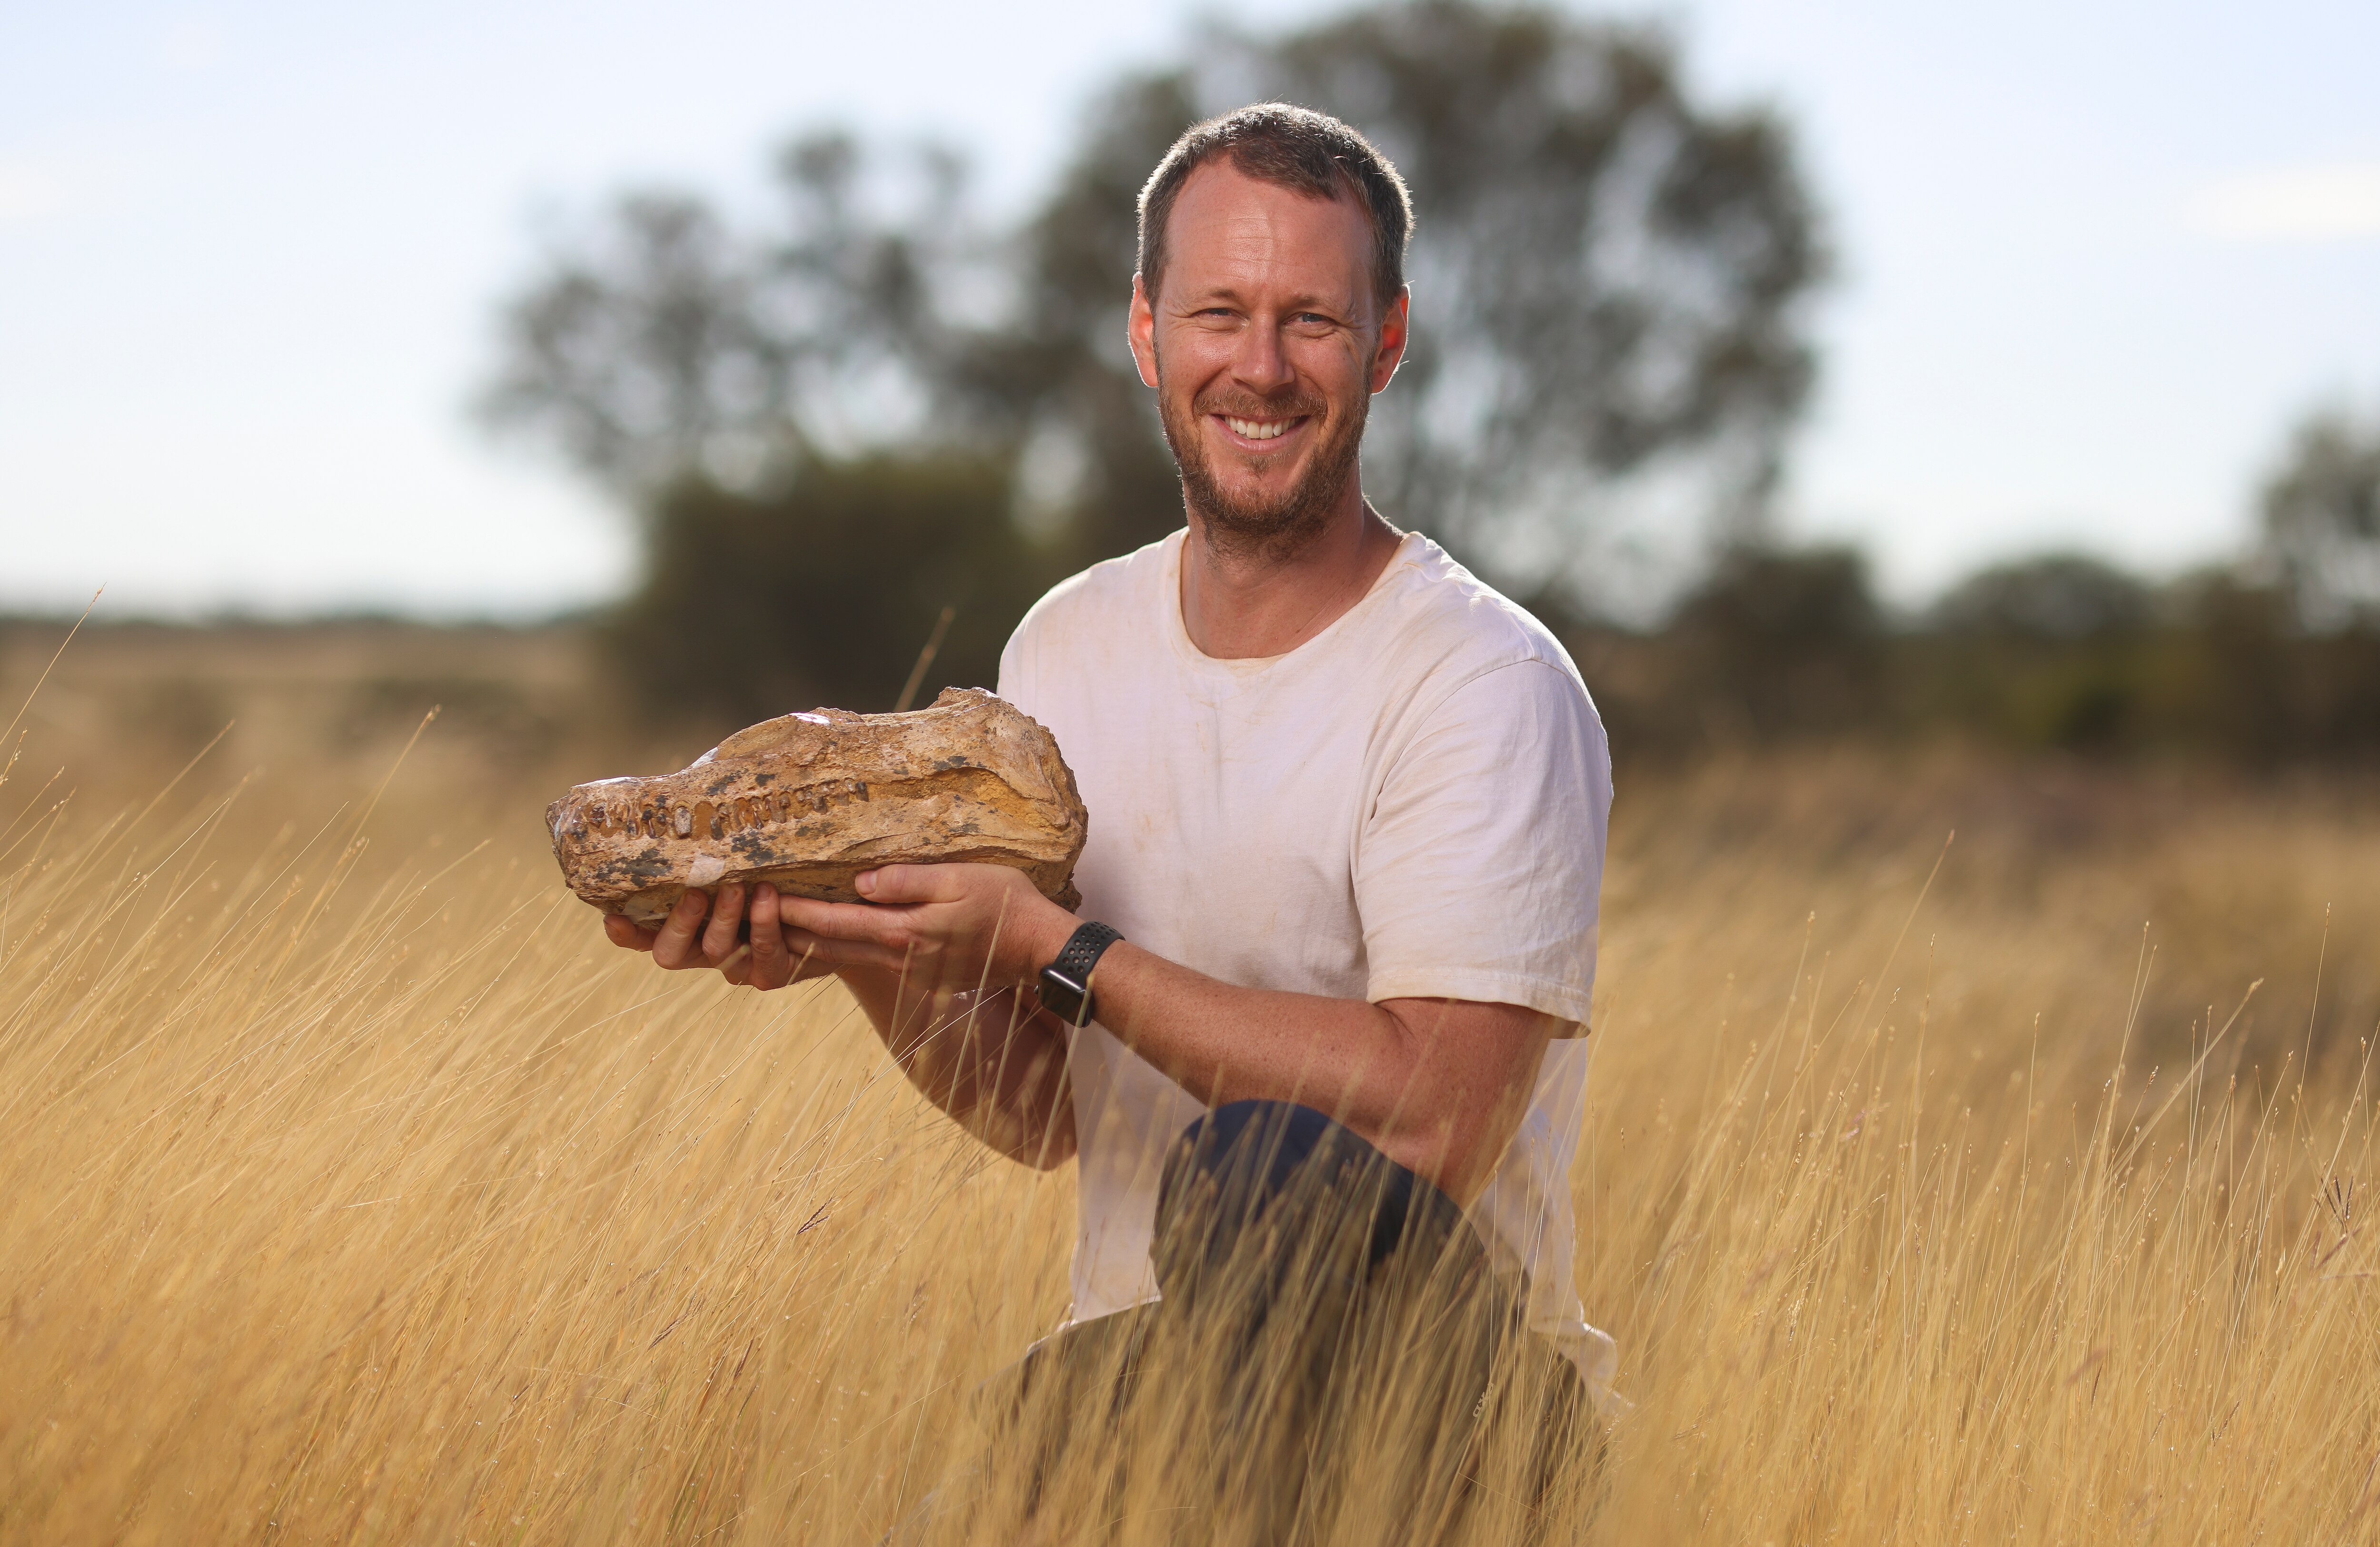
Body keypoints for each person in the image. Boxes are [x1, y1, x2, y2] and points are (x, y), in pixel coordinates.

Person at [605, 102, 1615, 1530]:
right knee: (1054, 1413)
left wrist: (1060, 947)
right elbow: (1041, 1110)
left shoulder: (1484, 682)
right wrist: (859, 948)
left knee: (1265, 1172)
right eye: (1217, 312)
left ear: (1386, 344)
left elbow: (1435, 1118)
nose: (1258, 368)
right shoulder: (1065, 649)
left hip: (1440, 1427)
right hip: (1152, 1406)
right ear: (1148, 333)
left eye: (1311, 321)